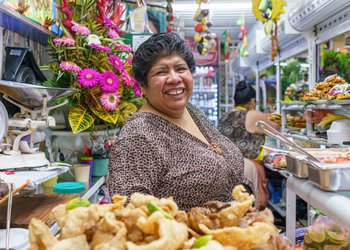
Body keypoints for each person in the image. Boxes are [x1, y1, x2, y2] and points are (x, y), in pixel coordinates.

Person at [108, 32, 251, 211]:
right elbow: (129, 210)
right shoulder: (138, 136)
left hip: (231, 230)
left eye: (181, 69)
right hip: (192, 237)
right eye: (161, 72)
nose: (175, 78)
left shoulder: (191, 111)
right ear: (143, 86)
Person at [218, 80, 280, 209]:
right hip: (248, 168)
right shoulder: (253, 114)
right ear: (252, 101)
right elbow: (276, 130)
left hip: (225, 167)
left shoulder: (224, 116)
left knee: (233, 207)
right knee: (251, 207)